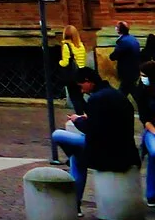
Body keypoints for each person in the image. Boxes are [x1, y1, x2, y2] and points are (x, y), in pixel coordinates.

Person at [53, 66, 137, 195]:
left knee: (57, 135)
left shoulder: (96, 99)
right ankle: (76, 204)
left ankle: (75, 204)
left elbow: (91, 129)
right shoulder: (116, 94)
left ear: (88, 81)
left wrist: (77, 120)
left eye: (81, 86)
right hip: (125, 147)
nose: (81, 91)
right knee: (77, 157)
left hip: (106, 149)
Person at [115, 22, 143, 91]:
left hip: (127, 72)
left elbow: (114, 55)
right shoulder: (133, 38)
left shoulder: (123, 41)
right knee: (131, 90)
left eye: (116, 27)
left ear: (119, 30)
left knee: (123, 92)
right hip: (134, 70)